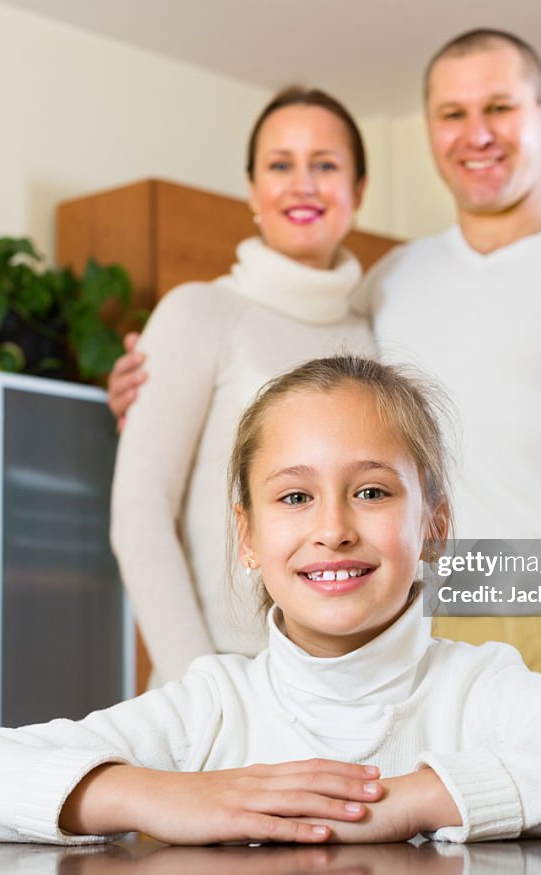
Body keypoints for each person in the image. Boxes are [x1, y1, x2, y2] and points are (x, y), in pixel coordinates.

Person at [109, 29, 541, 726]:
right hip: (438, 636)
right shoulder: (392, 283)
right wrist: (148, 382)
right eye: (452, 114)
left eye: (499, 107)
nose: (477, 135)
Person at [0, 355, 541, 845]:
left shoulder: (480, 689)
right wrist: (163, 795)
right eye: (294, 498)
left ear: (433, 524)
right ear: (249, 535)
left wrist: (414, 799)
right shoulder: (209, 707)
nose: (332, 529)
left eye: (370, 492)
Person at [110, 87, 374, 685]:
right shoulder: (199, 313)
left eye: (325, 165)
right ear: (253, 189)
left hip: (354, 696)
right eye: (280, 165)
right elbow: (140, 515)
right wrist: (201, 689)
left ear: (357, 190)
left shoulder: (376, 333)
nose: (302, 184)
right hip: (226, 685)